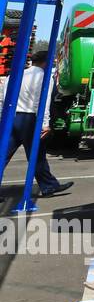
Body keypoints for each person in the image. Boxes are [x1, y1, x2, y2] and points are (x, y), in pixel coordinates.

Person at [0, 51, 71, 197]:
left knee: (3, 155)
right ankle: (48, 186)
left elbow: (5, 99)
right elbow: (43, 102)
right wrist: (45, 123)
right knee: (37, 155)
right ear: (46, 62)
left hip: (12, 118)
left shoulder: (14, 75)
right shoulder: (44, 77)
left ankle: (49, 185)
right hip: (29, 119)